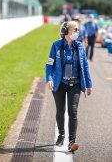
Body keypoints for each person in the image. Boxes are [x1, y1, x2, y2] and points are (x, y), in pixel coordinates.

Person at [45, 21, 93, 153]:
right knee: (60, 111)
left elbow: (85, 66)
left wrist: (88, 85)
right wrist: (49, 79)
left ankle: (72, 142)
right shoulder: (56, 45)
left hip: (75, 84)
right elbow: (49, 65)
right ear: (66, 31)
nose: (77, 32)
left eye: (78, 29)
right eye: (75, 29)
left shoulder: (79, 46)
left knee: (73, 111)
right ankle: (61, 135)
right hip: (59, 84)